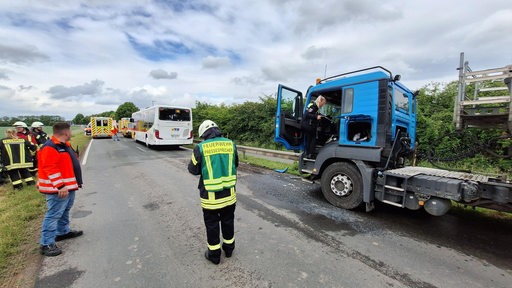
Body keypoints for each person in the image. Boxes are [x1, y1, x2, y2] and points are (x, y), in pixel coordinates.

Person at [188, 120, 238, 265]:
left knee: (212, 224)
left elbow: (193, 170)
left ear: (203, 133)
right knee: (228, 221)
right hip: (229, 195)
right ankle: (229, 250)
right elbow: (236, 164)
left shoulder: (200, 148)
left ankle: (214, 255)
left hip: (210, 198)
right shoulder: (230, 144)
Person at [38, 122, 83, 257]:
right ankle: (46, 244)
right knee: (54, 214)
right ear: (66, 132)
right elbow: (49, 167)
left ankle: (63, 232)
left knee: (64, 210)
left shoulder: (64, 145)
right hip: (58, 188)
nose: (70, 133)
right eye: (69, 130)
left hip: (68, 186)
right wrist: (60, 185)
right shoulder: (50, 147)